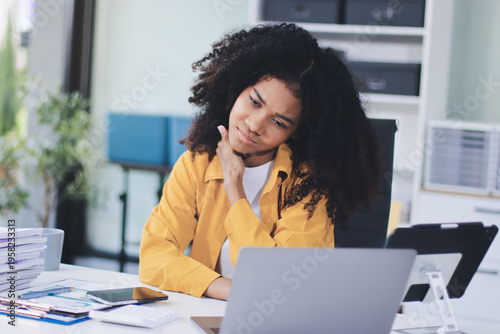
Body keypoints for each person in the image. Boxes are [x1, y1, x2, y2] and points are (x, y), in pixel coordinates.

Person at [139, 23, 384, 301]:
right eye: (254, 102)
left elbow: (278, 281)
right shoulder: (197, 163)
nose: (255, 125)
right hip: (210, 314)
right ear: (236, 87)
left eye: (278, 122)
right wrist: (229, 290)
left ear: (298, 131)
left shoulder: (308, 186)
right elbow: (154, 257)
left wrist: (235, 187)